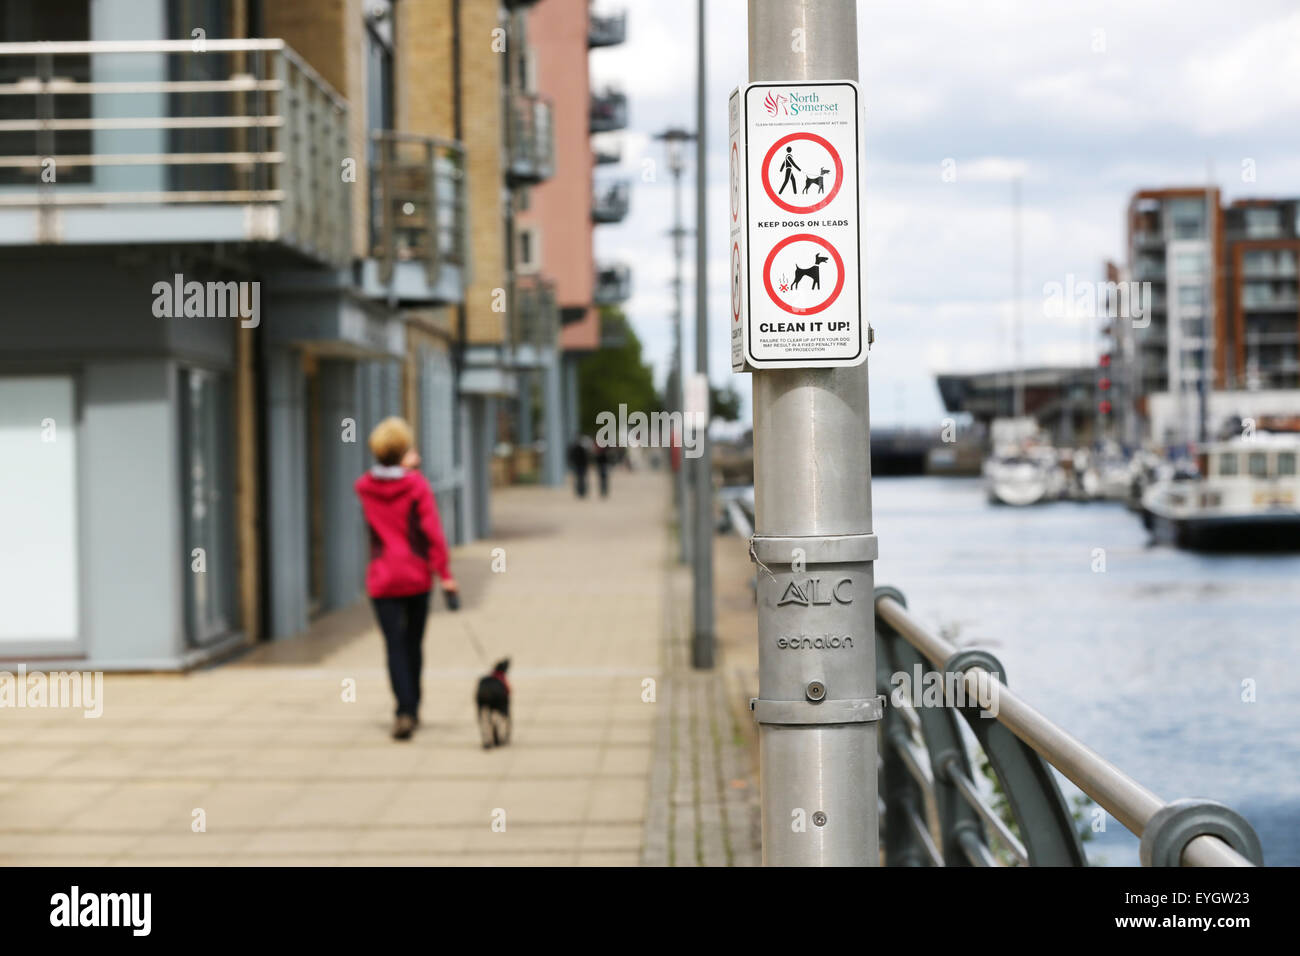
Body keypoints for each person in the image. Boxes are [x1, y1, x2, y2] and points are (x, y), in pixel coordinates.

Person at [354, 417, 457, 740]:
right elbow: (431, 532)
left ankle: (404, 709)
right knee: (413, 643)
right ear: (403, 451)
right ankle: (413, 706)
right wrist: (446, 574)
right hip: (415, 576)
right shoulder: (416, 486)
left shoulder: (365, 487)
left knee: (393, 646)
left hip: (382, 578)